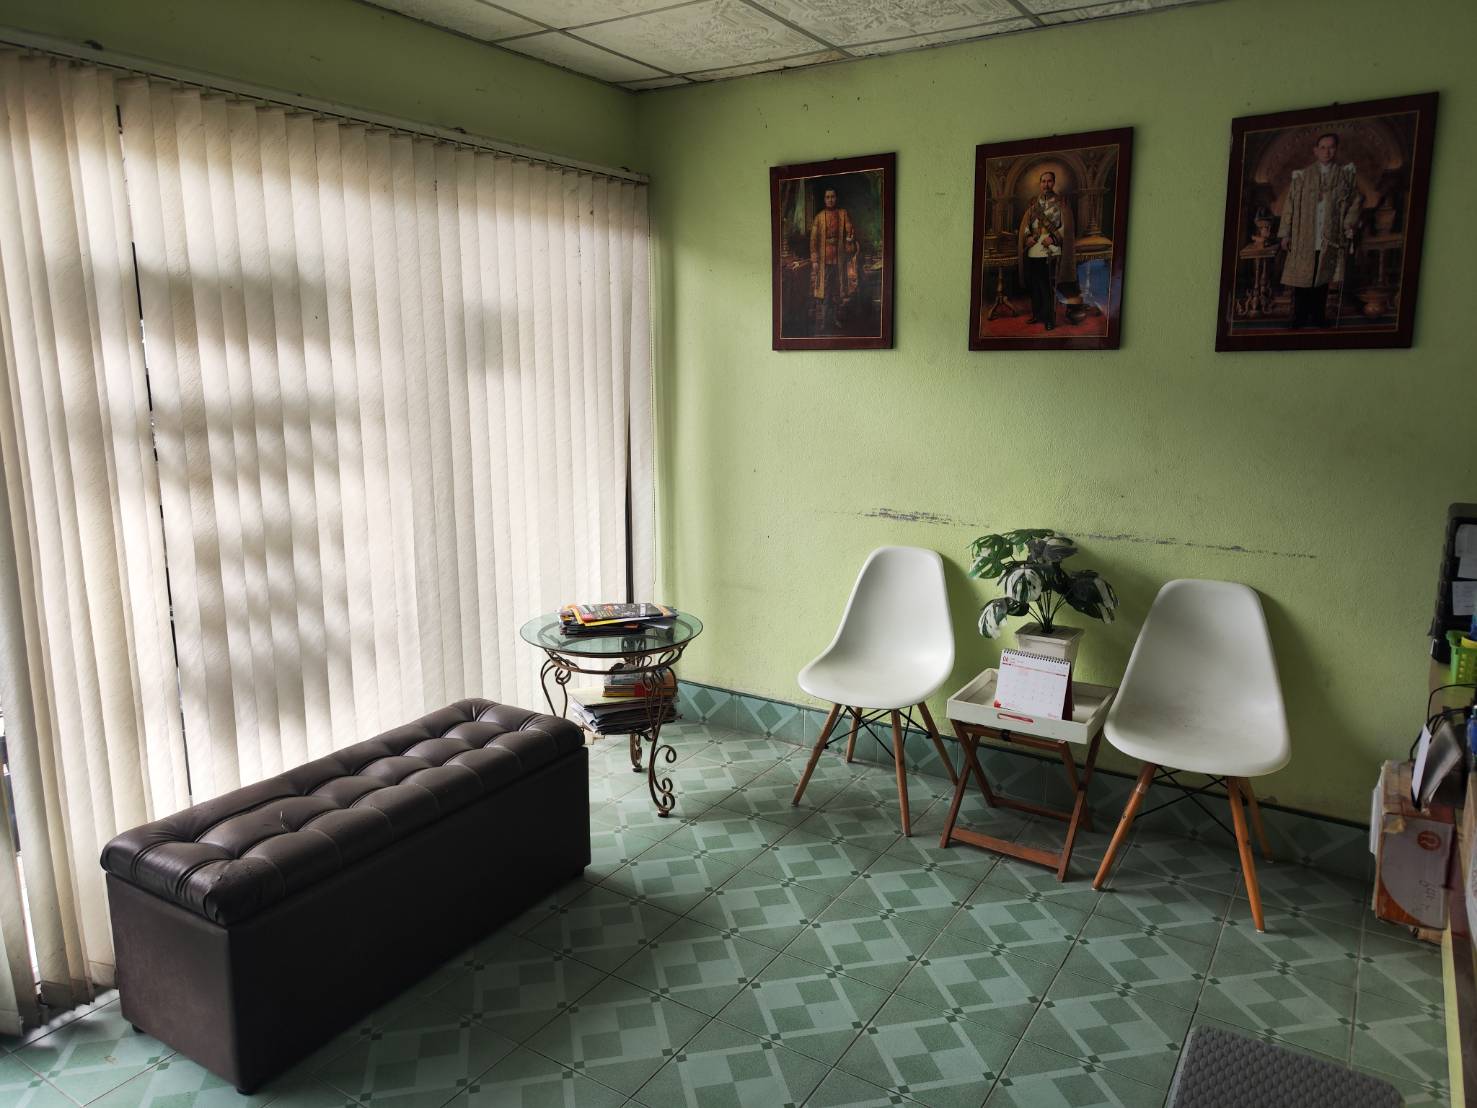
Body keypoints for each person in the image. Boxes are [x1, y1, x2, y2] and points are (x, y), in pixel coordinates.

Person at [1278, 132, 1362, 328]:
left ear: (1336, 149)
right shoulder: (1302, 176)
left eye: (1331, 147)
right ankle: (1299, 317)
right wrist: (1285, 233)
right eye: (1323, 147)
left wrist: (1348, 224)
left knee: (1322, 277)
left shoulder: (1345, 175)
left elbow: (1355, 202)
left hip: (1330, 235)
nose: (1327, 151)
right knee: (1302, 277)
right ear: (1316, 151)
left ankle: (1318, 317)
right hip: (1304, 234)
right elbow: (1290, 205)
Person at [1016, 170, 1076, 331]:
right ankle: (1037, 314)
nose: (1046, 184)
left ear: (1053, 183)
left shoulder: (1061, 202)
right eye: (1043, 181)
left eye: (1049, 181)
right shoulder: (1033, 203)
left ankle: (1049, 318)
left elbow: (1066, 226)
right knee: (1035, 283)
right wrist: (1028, 237)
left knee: (1047, 285)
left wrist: (1053, 238)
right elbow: (1027, 225)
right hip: (1034, 247)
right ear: (1040, 183)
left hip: (1051, 247)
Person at [809, 186, 858, 332]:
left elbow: (850, 231)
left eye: (832, 197)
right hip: (824, 260)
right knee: (826, 291)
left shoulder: (843, 214)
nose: (830, 200)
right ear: (824, 199)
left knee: (837, 290)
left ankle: (835, 319)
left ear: (836, 198)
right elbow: (813, 240)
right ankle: (824, 321)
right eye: (827, 197)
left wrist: (849, 237)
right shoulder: (819, 217)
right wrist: (815, 260)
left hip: (839, 259)